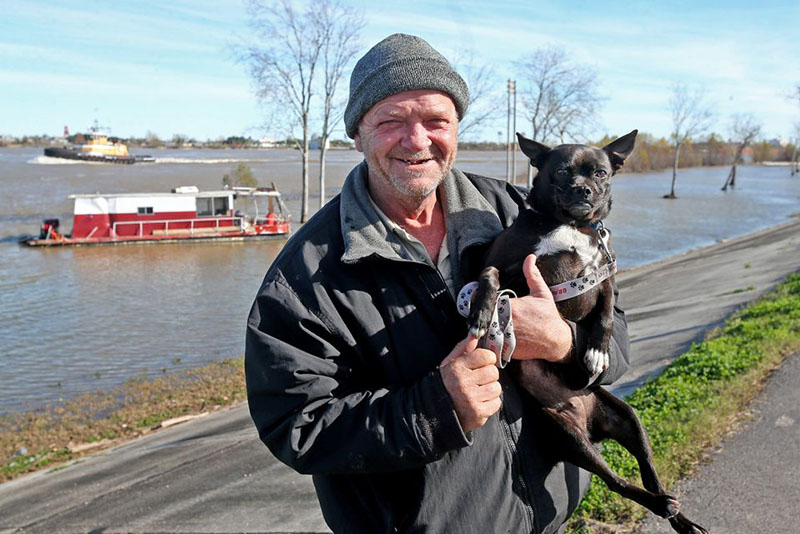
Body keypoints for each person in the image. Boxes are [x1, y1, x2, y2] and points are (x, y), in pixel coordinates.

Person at [245, 33, 631, 533]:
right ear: (357, 135)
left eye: (436, 120)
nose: (417, 140)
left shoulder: (520, 212)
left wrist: (563, 342)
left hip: (551, 516)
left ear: (456, 129)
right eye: (391, 121)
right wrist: (436, 410)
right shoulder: (305, 278)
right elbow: (295, 426)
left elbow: (617, 342)